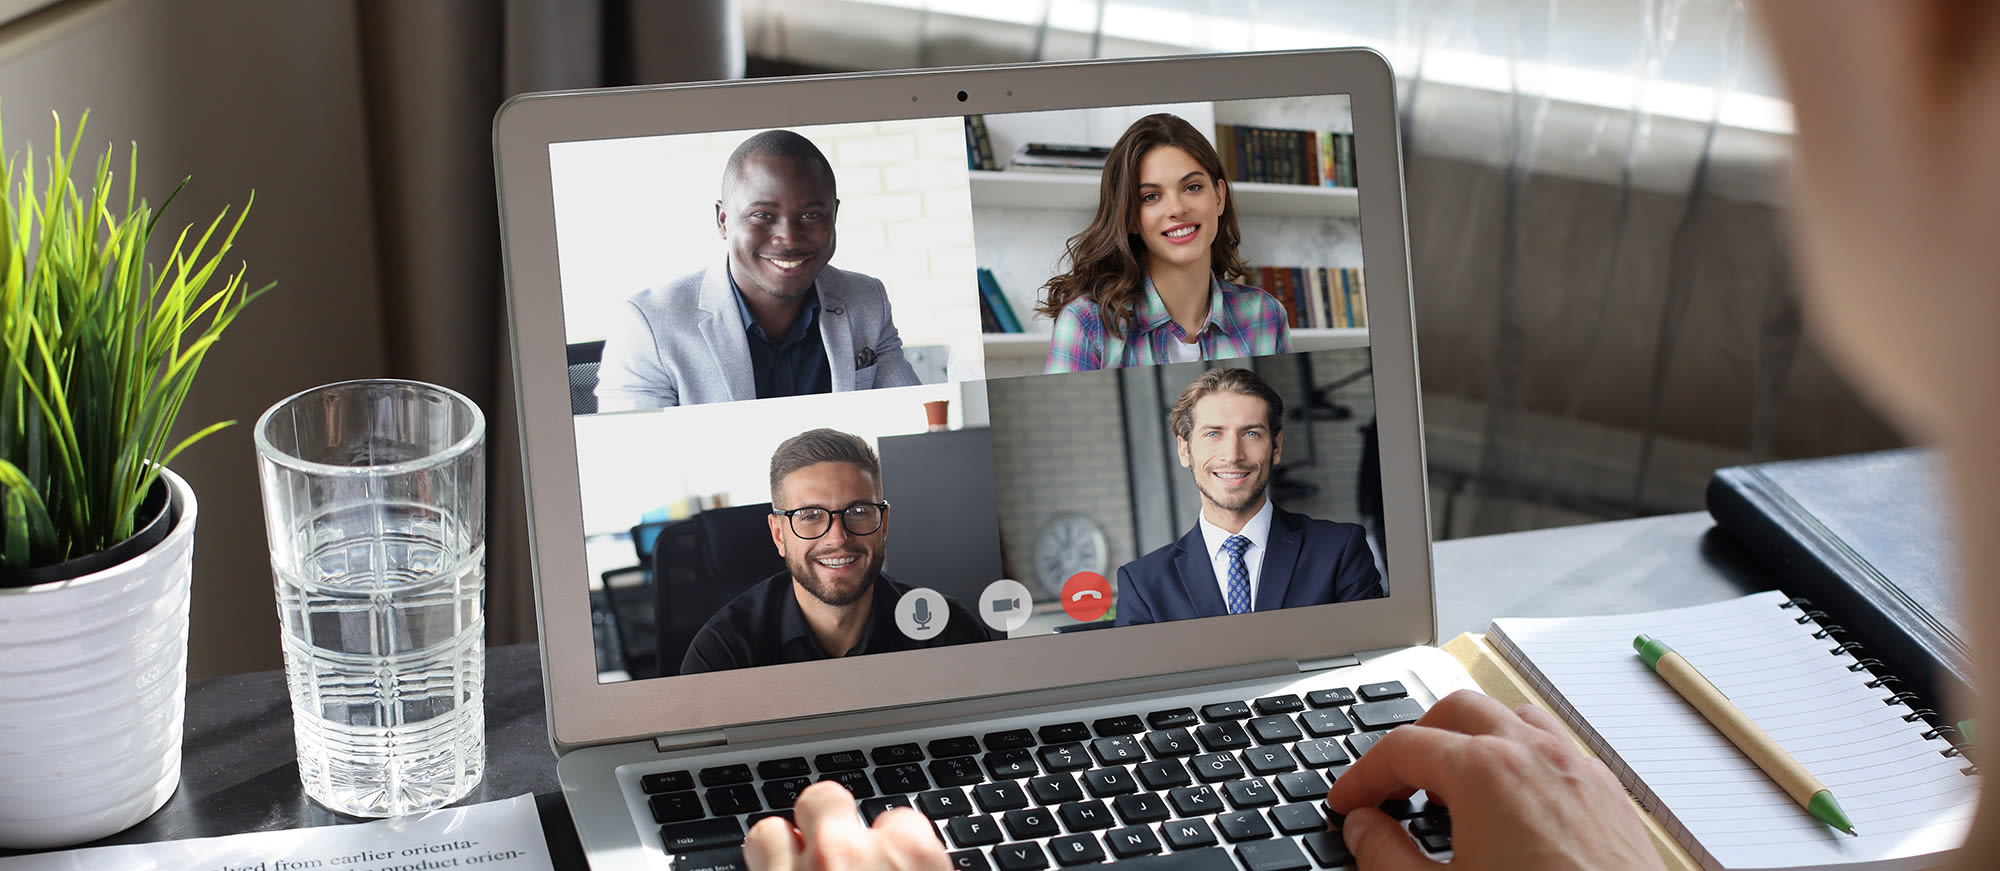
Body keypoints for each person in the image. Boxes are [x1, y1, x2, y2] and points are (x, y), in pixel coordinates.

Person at [749, 3, 2000, 868]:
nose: (1233, 458)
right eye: (1148, 192)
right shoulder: (1107, 433)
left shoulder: (1301, 434)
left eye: (1194, 184)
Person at [594, 130, 920, 410]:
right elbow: (634, 458)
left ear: (833, 215)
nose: (789, 237)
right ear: (723, 221)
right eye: (763, 215)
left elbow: (911, 422)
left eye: (810, 216)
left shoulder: (866, 300)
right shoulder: (649, 325)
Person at [679, 428, 991, 675]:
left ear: (883, 523)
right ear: (779, 534)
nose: (838, 537)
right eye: (810, 515)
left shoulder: (946, 630)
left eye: (857, 510)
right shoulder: (722, 653)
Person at [1116, 367, 1382, 627]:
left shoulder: (1339, 551)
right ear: (1184, 450)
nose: (1233, 455)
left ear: (1276, 447)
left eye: (1251, 433)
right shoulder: (1143, 584)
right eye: (1213, 434)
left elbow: (1373, 659)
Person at [1038, 113, 1290, 373]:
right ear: (1131, 218)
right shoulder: (1086, 323)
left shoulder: (1265, 315)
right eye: (1151, 196)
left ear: (1219, 196)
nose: (1177, 209)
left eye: (1192, 187)